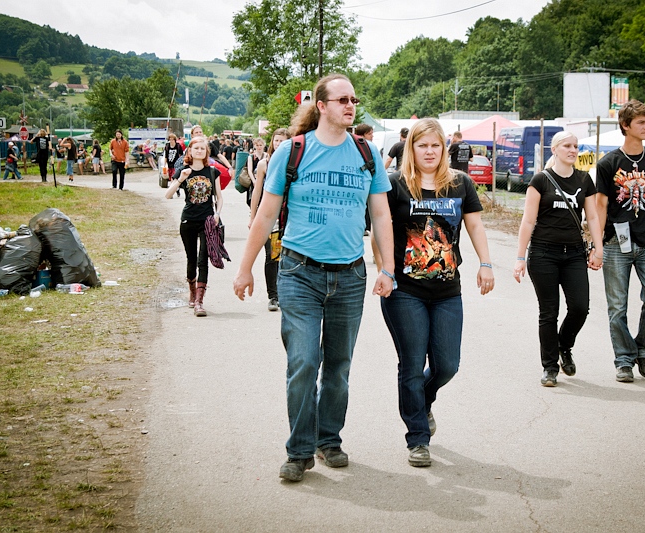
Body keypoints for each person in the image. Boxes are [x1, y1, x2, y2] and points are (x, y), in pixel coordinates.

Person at [233, 73, 395, 483]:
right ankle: (300, 449)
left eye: (353, 99)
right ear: (321, 105)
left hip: (350, 276)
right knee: (304, 361)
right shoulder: (294, 151)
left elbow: (380, 215)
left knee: (338, 366)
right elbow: (266, 214)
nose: (350, 105)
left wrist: (388, 268)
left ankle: (329, 440)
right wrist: (245, 267)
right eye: (342, 99)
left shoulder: (367, 155)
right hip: (298, 272)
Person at [380, 117, 494, 467]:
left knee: (447, 365)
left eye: (435, 145)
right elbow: (380, 227)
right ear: (410, 148)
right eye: (422, 145)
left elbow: (474, 224)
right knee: (412, 365)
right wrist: (384, 269)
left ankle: (423, 400)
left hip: (447, 291)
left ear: (444, 148)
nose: (429, 151)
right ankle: (417, 437)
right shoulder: (395, 184)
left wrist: (486, 263)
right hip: (404, 291)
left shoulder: (460, 183)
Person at [513, 131, 604, 387]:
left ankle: (565, 345)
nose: (572, 150)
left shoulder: (584, 180)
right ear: (554, 149)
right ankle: (550, 367)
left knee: (579, 307)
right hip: (543, 253)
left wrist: (599, 248)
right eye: (567, 146)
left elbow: (593, 217)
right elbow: (528, 221)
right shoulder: (540, 180)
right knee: (548, 312)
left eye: (575, 146)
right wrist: (520, 257)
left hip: (574, 253)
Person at [595, 99, 645, 383]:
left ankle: (642, 348)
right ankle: (624, 360)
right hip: (616, 243)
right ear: (625, 126)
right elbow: (601, 206)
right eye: (641, 122)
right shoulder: (608, 163)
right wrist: (597, 245)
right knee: (617, 308)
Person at [165, 136, 223, 317]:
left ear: (207, 152)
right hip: (188, 221)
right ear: (190, 151)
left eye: (202, 148)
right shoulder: (183, 171)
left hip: (207, 221)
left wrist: (217, 214)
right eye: (195, 148)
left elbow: (219, 198)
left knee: (202, 260)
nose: (199, 151)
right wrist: (180, 179)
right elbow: (167, 195)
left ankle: (199, 301)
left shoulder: (212, 172)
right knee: (191, 260)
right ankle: (192, 289)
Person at [247, 128, 290, 312]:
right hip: (270, 216)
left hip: (288, 215)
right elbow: (257, 191)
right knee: (272, 255)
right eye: (276, 140)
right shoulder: (265, 164)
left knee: (287, 256)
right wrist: (253, 216)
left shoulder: (294, 163)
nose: (279, 144)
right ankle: (273, 295)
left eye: (283, 141)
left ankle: (285, 293)